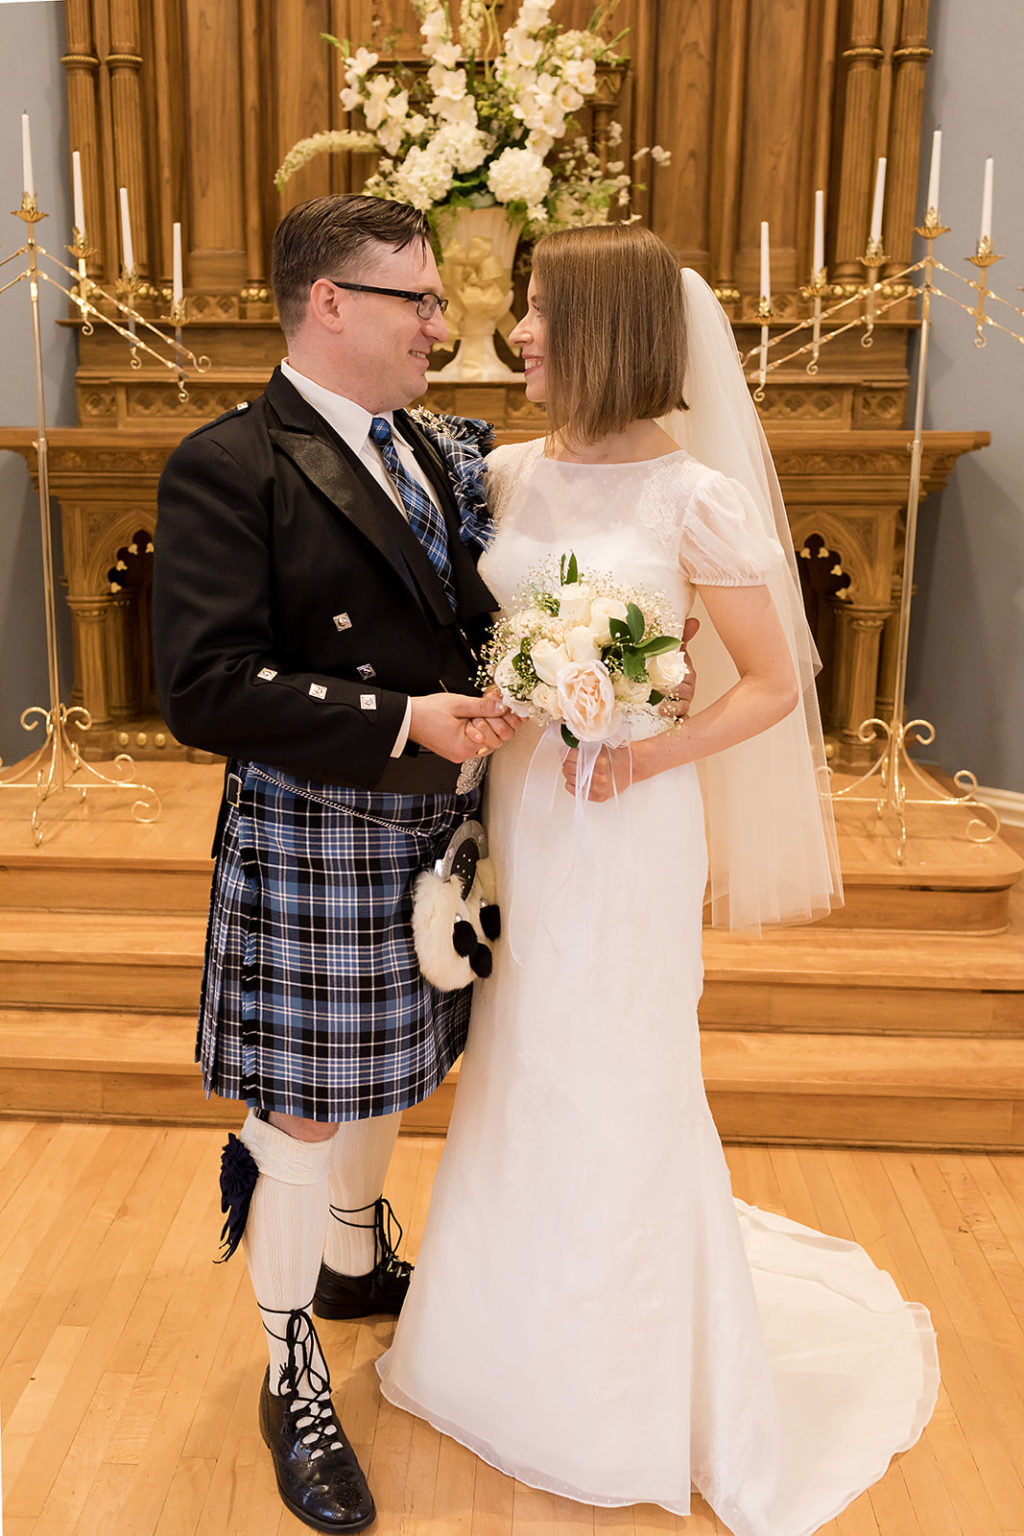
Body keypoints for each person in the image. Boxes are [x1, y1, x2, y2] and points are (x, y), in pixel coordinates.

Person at [377, 224, 940, 1536]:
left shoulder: (696, 498)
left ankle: (619, 1386)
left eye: (537, 315)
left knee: (614, 1069)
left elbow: (774, 682)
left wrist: (650, 748)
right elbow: (489, 629)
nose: (514, 334)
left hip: (627, 822)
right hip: (528, 808)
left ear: (609, 332)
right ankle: (496, 1345)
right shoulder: (506, 473)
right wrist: (515, 697)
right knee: (520, 1060)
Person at [152, 193, 528, 1535]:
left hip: (429, 825)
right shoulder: (229, 461)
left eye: (437, 300)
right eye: (416, 300)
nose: (443, 321)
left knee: (395, 1064)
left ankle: (358, 1263)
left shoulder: (433, 446)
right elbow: (200, 688)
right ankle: (286, 1364)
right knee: (304, 1106)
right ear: (329, 305)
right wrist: (397, 720)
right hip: (317, 824)